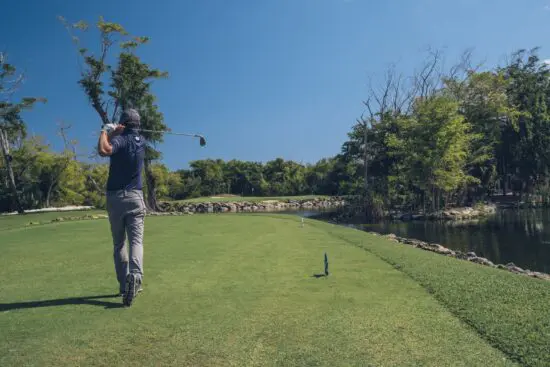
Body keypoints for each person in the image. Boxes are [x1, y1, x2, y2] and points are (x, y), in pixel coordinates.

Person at [97, 108, 146, 307]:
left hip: (115, 197)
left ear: (123, 124)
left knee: (119, 244)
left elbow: (103, 150)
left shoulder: (120, 140)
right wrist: (118, 132)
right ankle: (135, 276)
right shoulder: (141, 141)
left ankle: (124, 285)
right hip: (135, 197)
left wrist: (105, 131)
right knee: (136, 241)